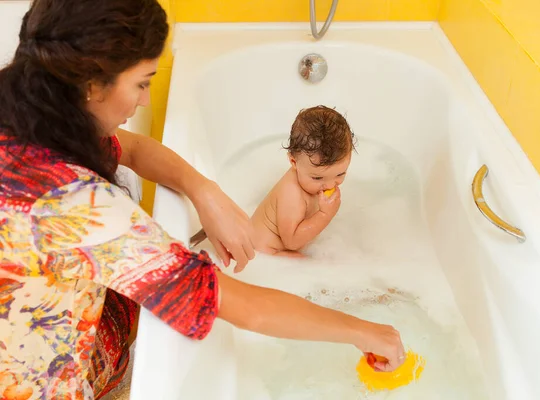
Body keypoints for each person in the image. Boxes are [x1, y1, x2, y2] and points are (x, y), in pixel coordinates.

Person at [0, 1, 405, 399]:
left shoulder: (29, 108)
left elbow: (135, 151)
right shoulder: (76, 207)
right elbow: (242, 306)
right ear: (91, 84)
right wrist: (367, 331)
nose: (145, 100)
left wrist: (203, 190)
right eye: (142, 83)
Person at [251, 105, 354, 257]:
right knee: (313, 267)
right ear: (294, 162)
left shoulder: (309, 175)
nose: (330, 185)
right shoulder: (291, 194)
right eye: (317, 178)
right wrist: (325, 215)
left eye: (340, 174)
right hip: (265, 251)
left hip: (286, 245)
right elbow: (291, 242)